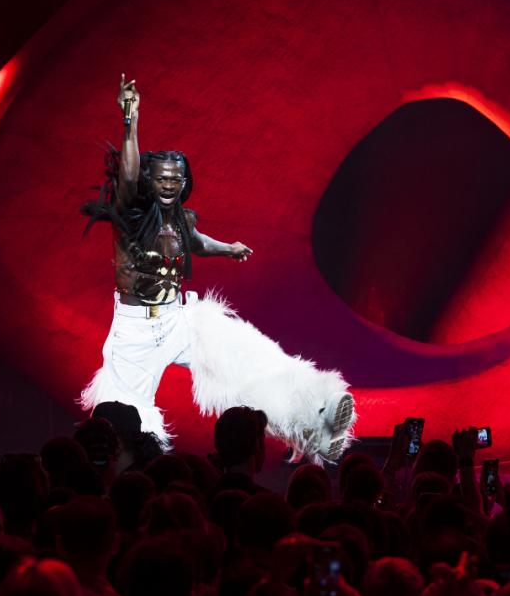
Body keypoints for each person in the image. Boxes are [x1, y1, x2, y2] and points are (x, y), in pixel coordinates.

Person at [80, 76, 358, 462]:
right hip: (135, 330)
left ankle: (318, 422)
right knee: (125, 418)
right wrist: (131, 120)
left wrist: (228, 249)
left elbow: (196, 243)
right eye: (161, 179)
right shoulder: (131, 214)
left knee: (250, 355)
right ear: (148, 180)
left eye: (177, 180)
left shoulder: (179, 220)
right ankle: (133, 482)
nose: (170, 186)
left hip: (181, 317)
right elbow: (126, 178)